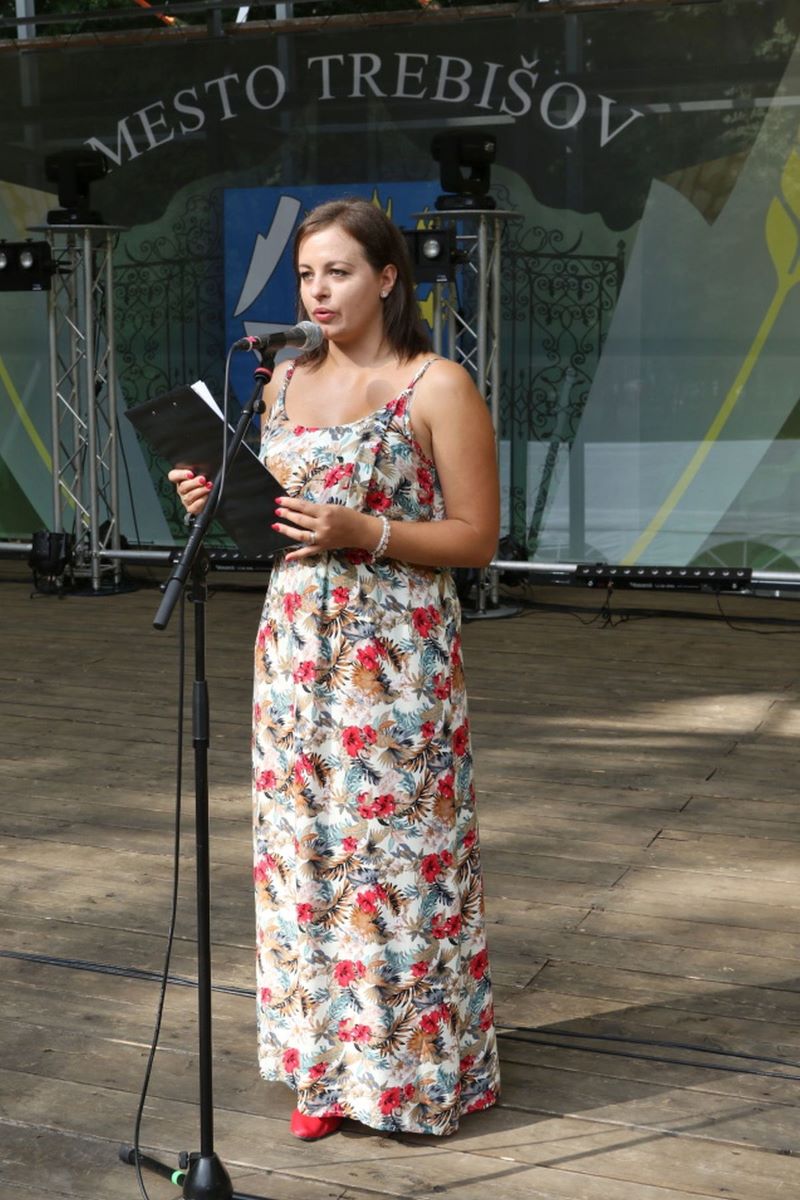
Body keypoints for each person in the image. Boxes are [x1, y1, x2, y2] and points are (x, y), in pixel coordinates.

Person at [169, 196, 501, 1141]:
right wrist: (212, 498)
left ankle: (407, 1079)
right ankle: (322, 1074)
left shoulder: (437, 384)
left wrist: (369, 530)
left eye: (339, 271)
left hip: (395, 663)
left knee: (397, 867)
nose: (317, 291)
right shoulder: (278, 381)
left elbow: (478, 538)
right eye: (306, 274)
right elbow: (275, 522)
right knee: (306, 860)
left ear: (388, 278)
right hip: (294, 653)